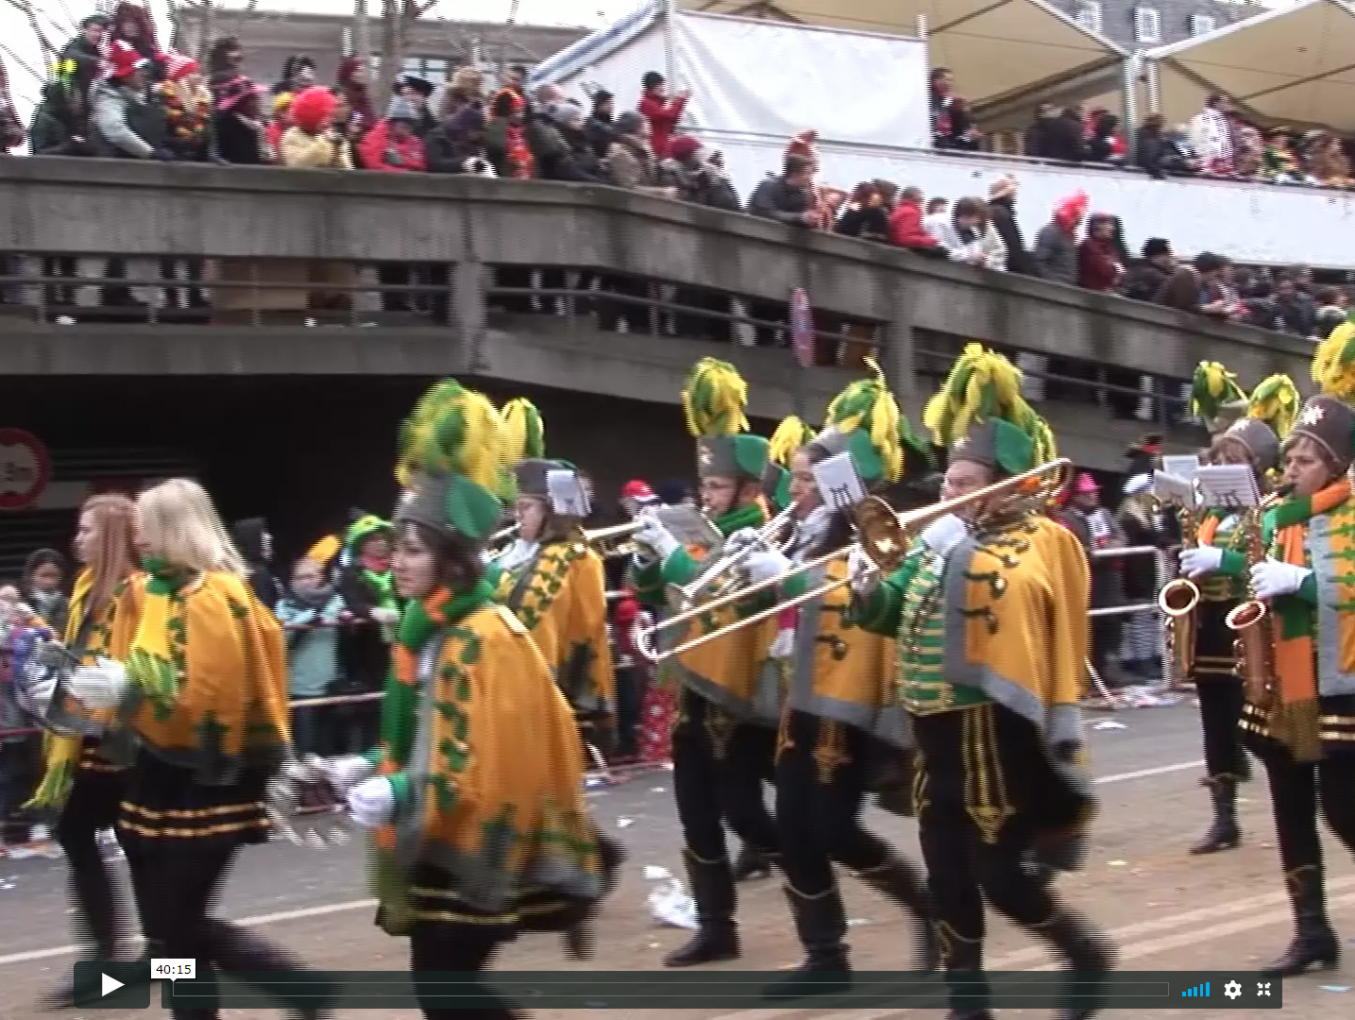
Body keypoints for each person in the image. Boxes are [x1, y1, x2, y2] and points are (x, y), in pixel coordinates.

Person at [323, 378, 621, 1018]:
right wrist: (380, 765)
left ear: (451, 558)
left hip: (469, 837)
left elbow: (488, 760)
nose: (396, 562)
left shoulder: (483, 635)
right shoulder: (426, 628)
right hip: (440, 829)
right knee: (444, 994)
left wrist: (403, 790)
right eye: (396, 548)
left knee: (446, 994)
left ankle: (256, 986)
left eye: (411, 549)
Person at [849, 345, 1115, 1020]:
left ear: (1007, 486)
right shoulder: (934, 543)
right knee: (944, 873)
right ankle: (967, 1002)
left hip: (991, 731)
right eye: (946, 483)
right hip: (930, 728)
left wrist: (956, 553)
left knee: (1000, 878)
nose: (947, 496)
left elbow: (1017, 600)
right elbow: (887, 613)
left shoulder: (1038, 540)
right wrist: (864, 584)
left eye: (964, 485)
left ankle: (1081, 950)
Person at [62, 478, 321, 1020]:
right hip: (158, 775)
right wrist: (99, 691)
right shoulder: (162, 590)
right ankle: (267, 989)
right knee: (168, 932)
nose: (139, 539)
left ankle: (287, 981)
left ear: (172, 529)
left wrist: (126, 692)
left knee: (178, 927)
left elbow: (209, 700)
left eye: (146, 528)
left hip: (207, 780)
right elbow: (149, 670)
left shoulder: (215, 595)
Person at [748, 366, 940, 986]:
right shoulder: (801, 531)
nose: (795, 488)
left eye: (808, 478)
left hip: (851, 700)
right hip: (800, 697)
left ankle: (926, 908)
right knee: (795, 830)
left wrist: (786, 577)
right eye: (797, 477)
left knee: (830, 827)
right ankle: (826, 956)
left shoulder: (874, 531)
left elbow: (853, 595)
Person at [629, 357, 782, 967]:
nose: (706, 497)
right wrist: (646, 559)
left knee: (743, 809)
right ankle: (717, 926)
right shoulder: (700, 528)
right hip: (694, 687)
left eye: (717, 488)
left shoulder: (763, 533)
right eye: (706, 488)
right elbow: (659, 596)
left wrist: (673, 556)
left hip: (744, 696)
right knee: (695, 815)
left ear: (747, 490)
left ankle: (811, 869)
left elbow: (716, 594)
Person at [1222, 329, 1355, 977]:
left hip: (1341, 686)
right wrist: (1215, 557)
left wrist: (1304, 582)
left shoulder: (1352, 512)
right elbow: (1249, 562)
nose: (1291, 468)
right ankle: (1311, 932)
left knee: (1343, 807)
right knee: (1289, 807)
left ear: (1335, 464)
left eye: (1304, 459)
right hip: (1284, 686)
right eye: (1292, 456)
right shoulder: (1283, 513)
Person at [24, 496, 147, 1007]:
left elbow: (147, 665)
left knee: (144, 852)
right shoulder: (83, 591)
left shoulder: (138, 593)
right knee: (79, 834)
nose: (77, 540)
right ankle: (111, 960)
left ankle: (152, 961)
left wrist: (105, 685)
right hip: (87, 738)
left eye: (87, 530)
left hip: (133, 745)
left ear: (114, 536)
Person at [1175, 367, 1295, 855]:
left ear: (1260, 464)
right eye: (1221, 456)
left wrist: (1219, 558)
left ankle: (1292, 796)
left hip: (1250, 625)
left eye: (1236, 457)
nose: (1224, 463)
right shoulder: (1211, 513)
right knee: (1214, 721)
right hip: (1209, 622)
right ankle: (1224, 817)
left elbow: (1269, 561)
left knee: (1259, 722)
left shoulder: (1271, 508)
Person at [490, 398, 615, 734]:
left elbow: (587, 632)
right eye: (516, 506)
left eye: (527, 507)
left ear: (552, 510)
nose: (518, 515)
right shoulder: (507, 553)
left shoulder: (580, 557)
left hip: (550, 685)